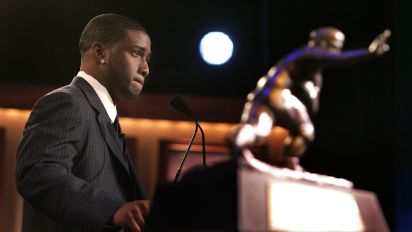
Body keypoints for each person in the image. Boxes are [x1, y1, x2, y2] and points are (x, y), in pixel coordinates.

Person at [15, 13, 151, 232]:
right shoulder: (67, 102)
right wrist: (113, 210)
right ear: (100, 52)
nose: (145, 68)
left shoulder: (107, 118)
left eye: (147, 58)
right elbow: (38, 173)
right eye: (137, 53)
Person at [227, 27, 391, 170]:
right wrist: (368, 53)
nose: (336, 52)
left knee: (260, 130)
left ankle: (238, 143)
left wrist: (310, 91)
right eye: (334, 47)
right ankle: (289, 162)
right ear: (321, 43)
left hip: (261, 95)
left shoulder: (313, 69)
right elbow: (338, 60)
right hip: (277, 94)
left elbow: (313, 107)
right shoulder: (307, 52)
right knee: (306, 130)